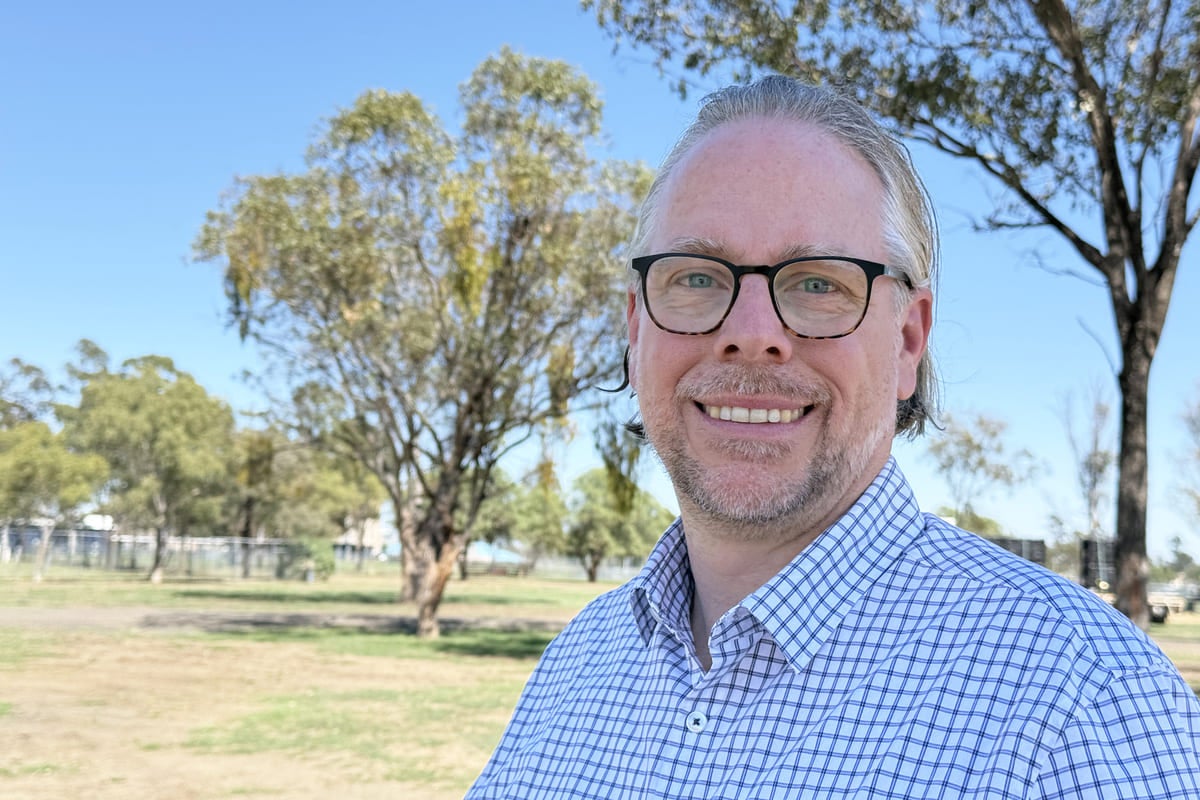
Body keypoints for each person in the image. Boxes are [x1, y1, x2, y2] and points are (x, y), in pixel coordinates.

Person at [466, 76, 1200, 799]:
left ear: (908, 341)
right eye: (696, 278)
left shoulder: (1084, 704)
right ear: (636, 327)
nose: (751, 336)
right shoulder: (577, 663)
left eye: (818, 283)